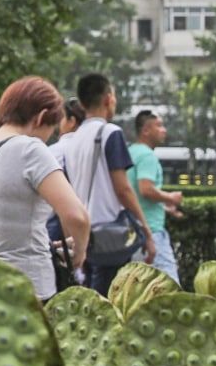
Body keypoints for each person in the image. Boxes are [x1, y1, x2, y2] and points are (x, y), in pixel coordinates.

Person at [0, 77, 90, 301]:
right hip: (27, 290)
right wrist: (79, 254)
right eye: (51, 129)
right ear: (42, 117)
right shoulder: (30, 149)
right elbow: (77, 217)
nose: (48, 137)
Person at [63, 73, 155, 296]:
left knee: (93, 298)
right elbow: (123, 189)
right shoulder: (110, 133)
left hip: (84, 234)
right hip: (110, 234)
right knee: (110, 300)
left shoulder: (73, 139)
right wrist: (147, 231)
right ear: (107, 99)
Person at [129, 110, 184, 283]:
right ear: (145, 130)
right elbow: (146, 189)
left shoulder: (130, 152)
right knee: (171, 288)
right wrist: (171, 197)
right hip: (151, 232)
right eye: (159, 126)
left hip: (133, 232)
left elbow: (135, 193)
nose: (164, 130)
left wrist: (164, 207)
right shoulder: (147, 155)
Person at [47, 97, 86, 166]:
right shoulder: (92, 148)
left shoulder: (54, 152)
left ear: (72, 121)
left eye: (61, 117)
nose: (58, 122)